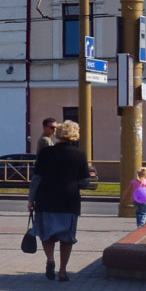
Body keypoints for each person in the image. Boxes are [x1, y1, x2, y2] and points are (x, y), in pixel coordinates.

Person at [30, 119, 92, 281]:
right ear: (75, 135)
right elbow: (85, 182)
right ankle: (63, 271)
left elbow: (36, 178)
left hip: (45, 198)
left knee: (46, 234)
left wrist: (31, 199)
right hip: (68, 200)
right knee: (67, 238)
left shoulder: (45, 153)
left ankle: (50, 259)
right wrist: (75, 183)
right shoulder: (79, 154)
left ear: (58, 134)